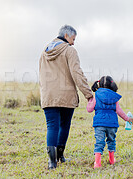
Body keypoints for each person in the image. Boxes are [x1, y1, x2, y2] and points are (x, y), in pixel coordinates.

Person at [39, 25, 93, 170]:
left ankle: (52, 162)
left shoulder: (45, 51)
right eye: (73, 39)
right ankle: (60, 156)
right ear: (67, 35)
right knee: (64, 125)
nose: (74, 42)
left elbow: (41, 74)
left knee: (52, 127)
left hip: (48, 95)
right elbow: (77, 73)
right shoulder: (70, 50)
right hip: (66, 95)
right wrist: (88, 94)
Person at [86, 76, 133, 168]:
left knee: (99, 142)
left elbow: (89, 109)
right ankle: (111, 160)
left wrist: (90, 101)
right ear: (112, 84)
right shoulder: (114, 97)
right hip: (112, 124)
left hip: (99, 124)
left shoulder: (97, 95)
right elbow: (119, 111)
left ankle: (97, 163)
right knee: (111, 141)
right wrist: (127, 119)